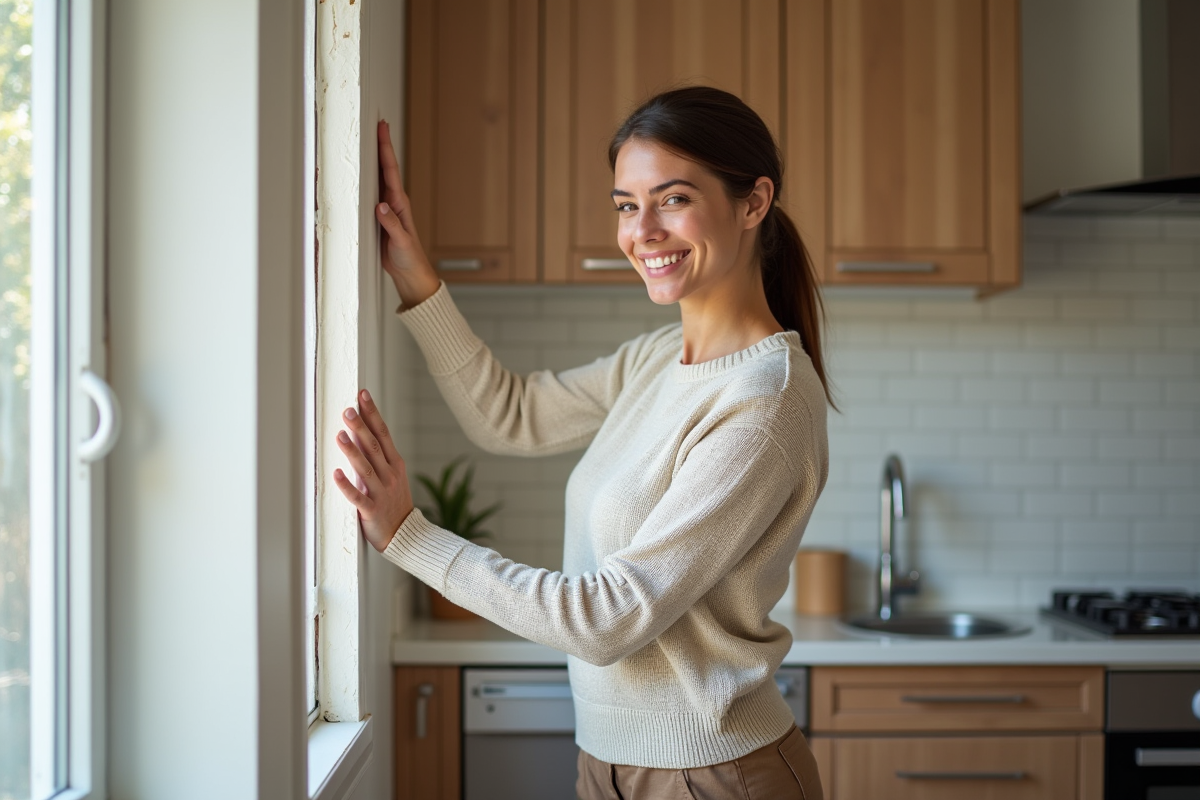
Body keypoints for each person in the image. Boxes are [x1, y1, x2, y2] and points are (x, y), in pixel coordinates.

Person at [333, 86, 832, 800]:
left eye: (674, 199)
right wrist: (414, 274)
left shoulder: (765, 401)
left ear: (754, 203)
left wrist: (412, 539)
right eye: (627, 206)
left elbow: (610, 616)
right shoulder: (660, 358)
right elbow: (509, 415)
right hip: (608, 763)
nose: (643, 231)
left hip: (714, 775)